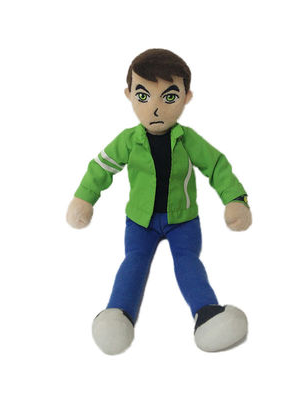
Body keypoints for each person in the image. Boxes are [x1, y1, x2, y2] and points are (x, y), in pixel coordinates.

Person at [66, 48, 252, 355]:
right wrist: (84, 198)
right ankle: (118, 314)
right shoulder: (128, 141)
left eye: (169, 97)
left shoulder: (188, 139)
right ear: (128, 95)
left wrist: (234, 199)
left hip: (183, 220)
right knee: (135, 261)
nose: (155, 108)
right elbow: (101, 167)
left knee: (187, 261)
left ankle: (207, 313)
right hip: (140, 221)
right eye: (143, 96)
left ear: (186, 97)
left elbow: (216, 165)